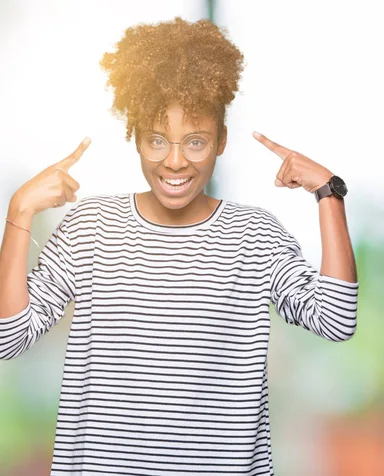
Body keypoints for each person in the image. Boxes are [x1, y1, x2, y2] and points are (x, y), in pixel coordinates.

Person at [0, 17, 358, 475]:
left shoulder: (256, 236)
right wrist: (20, 211)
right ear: (135, 136)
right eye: (156, 140)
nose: (174, 160)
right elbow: (9, 337)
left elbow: (335, 320)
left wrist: (328, 192)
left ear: (220, 141)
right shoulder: (90, 228)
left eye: (195, 141)